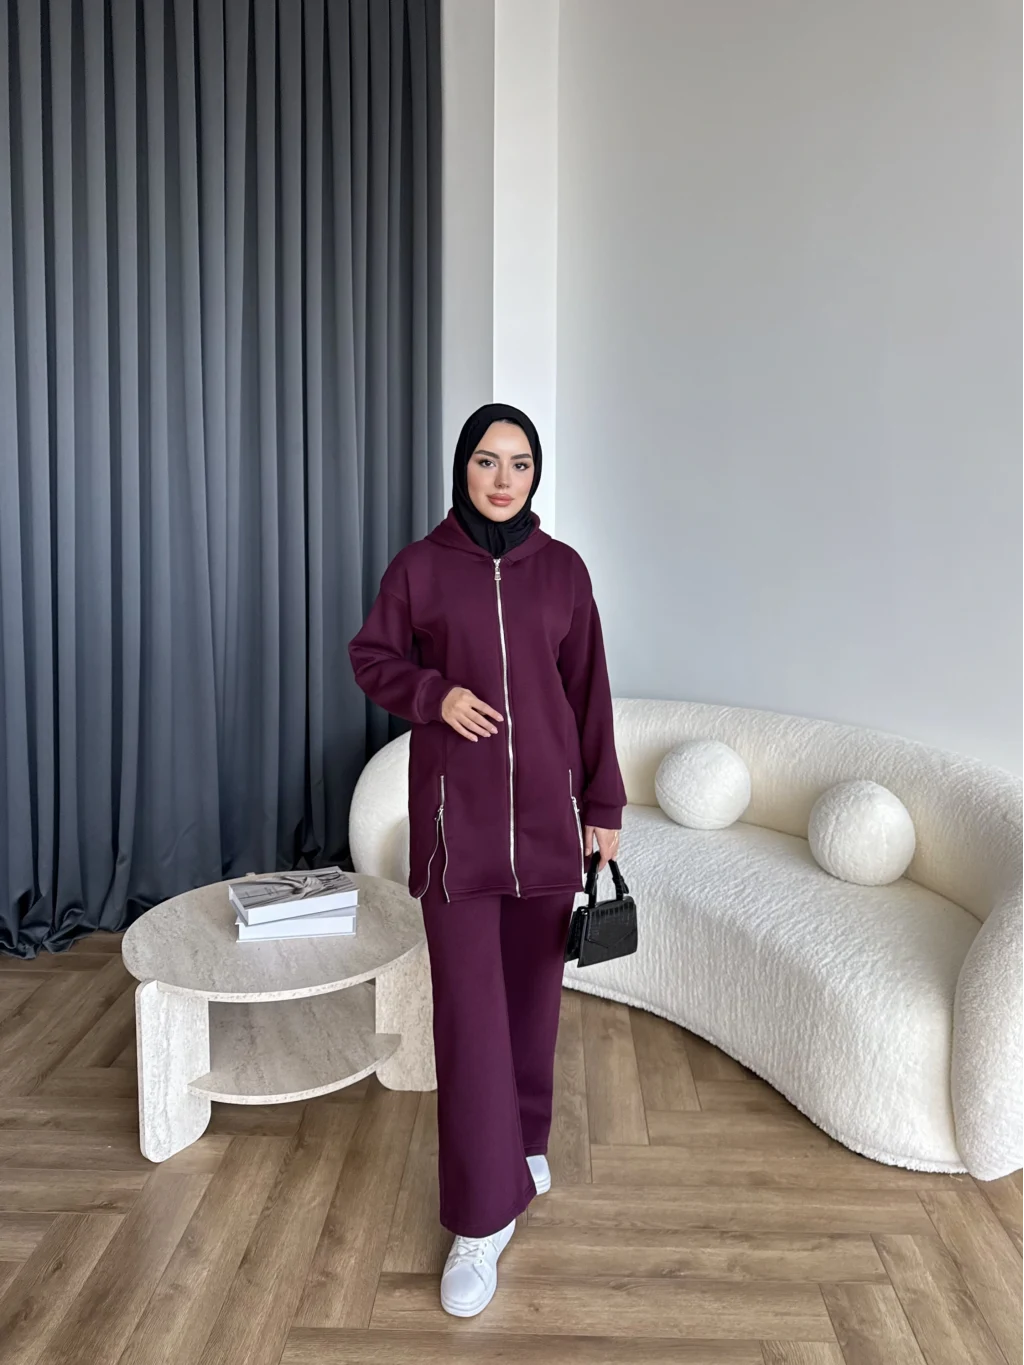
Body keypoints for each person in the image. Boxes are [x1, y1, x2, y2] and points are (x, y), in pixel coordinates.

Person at [347, 401, 627, 1317]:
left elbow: (589, 693)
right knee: (469, 1018)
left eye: (519, 463)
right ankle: (479, 1218)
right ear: (462, 468)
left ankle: (527, 1142)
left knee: (532, 1001)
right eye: (486, 461)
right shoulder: (420, 568)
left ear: (535, 474)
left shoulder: (564, 571)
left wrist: (604, 806)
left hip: (547, 825)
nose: (503, 479)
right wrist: (433, 694)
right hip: (454, 831)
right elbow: (370, 656)